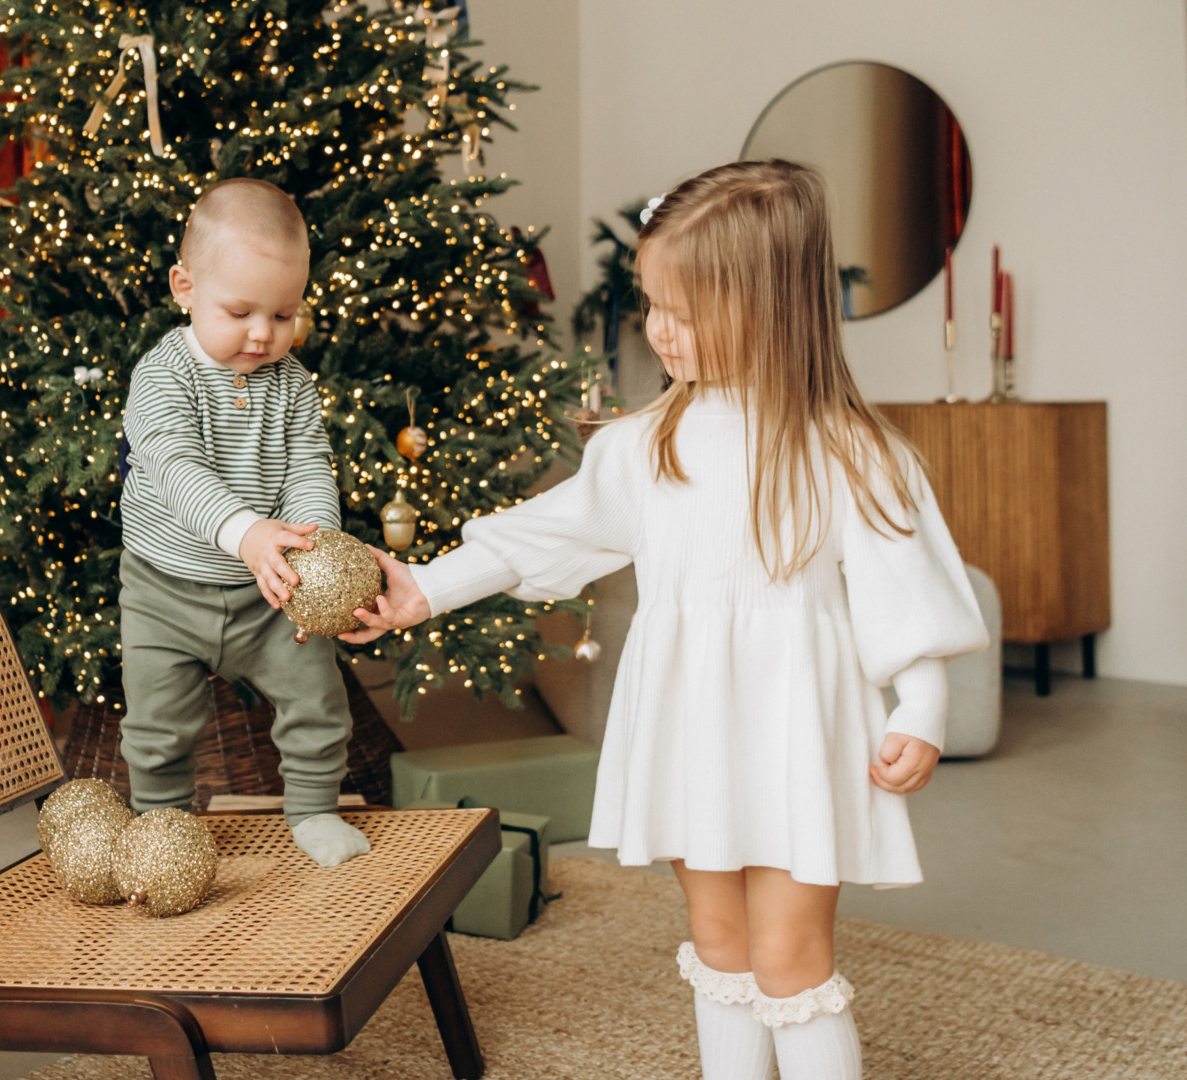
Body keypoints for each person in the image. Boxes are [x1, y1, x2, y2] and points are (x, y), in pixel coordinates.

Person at [342, 160, 988, 1079]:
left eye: (680, 311)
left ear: (766, 304)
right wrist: (424, 589)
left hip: (798, 731)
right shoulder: (645, 444)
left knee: (790, 958)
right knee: (719, 941)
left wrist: (918, 706)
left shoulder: (851, 449)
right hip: (691, 726)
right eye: (651, 303)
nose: (658, 329)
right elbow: (546, 533)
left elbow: (904, 589)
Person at [118, 178, 369, 868]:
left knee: (317, 703)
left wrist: (311, 547)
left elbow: (308, 467)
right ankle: (161, 825)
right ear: (185, 286)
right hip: (165, 591)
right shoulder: (162, 376)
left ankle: (314, 809)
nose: (262, 334)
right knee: (157, 724)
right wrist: (248, 532)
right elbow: (174, 467)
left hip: (270, 594)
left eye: (284, 315)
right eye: (240, 311)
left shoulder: (291, 384)